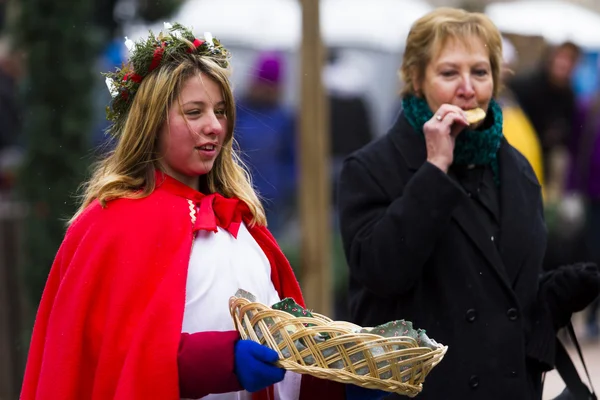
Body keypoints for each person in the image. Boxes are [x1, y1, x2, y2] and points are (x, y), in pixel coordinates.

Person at [20, 23, 385, 400]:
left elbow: (284, 357)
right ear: (152, 122)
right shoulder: (111, 224)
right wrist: (219, 361)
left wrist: (335, 385)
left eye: (221, 111)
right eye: (194, 112)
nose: (214, 126)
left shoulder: (242, 224)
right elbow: (116, 362)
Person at [337, 8, 600, 400]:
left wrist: (559, 291)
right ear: (415, 79)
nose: (467, 88)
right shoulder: (373, 167)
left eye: (480, 72)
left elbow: (503, 293)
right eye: (449, 73)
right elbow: (382, 273)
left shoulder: (515, 167)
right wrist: (435, 170)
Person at [235, 51, 296, 239]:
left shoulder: (283, 117)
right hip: (238, 193)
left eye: (272, 86)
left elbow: (291, 156)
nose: (266, 90)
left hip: (272, 198)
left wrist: (288, 186)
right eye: (263, 84)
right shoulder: (237, 111)